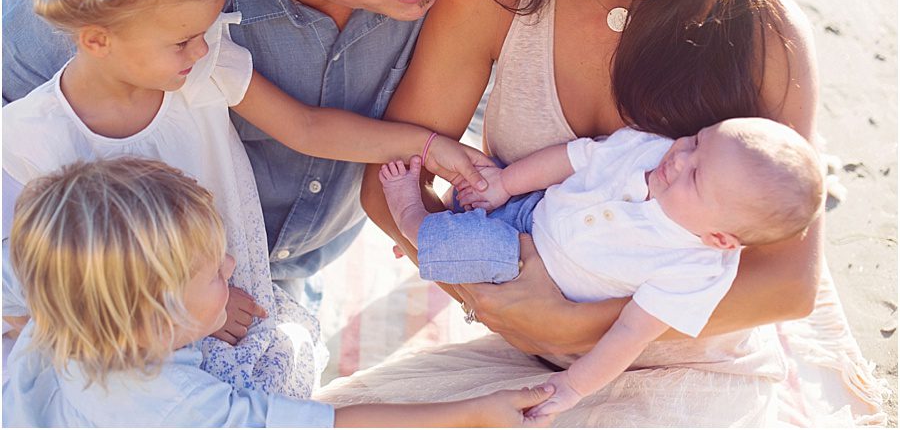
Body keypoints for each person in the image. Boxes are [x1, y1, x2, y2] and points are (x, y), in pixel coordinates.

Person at [352, 0, 824, 425]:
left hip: (687, 364)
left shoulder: (762, 31)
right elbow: (388, 180)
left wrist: (577, 324)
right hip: (520, 354)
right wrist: (490, 299)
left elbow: (788, 284)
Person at [0, 0, 492, 398]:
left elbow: (306, 127)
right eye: (183, 40)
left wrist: (425, 145)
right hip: (143, 354)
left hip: (239, 297)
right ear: (98, 39)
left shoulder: (202, 67)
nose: (201, 48)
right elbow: (36, 304)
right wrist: (187, 316)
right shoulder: (29, 143)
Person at [2, 157, 555, 428]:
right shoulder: (180, 407)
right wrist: (478, 410)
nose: (232, 263)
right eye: (213, 272)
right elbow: (335, 423)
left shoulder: (66, 316)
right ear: (155, 312)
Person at [379, 117, 825, 416]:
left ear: (721, 238)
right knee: (480, 179)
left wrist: (575, 386)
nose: (681, 157)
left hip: (533, 271)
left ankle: (415, 222)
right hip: (532, 205)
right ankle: (447, 236)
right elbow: (572, 159)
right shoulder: (647, 151)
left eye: (695, 176)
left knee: (483, 248)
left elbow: (630, 333)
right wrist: (502, 185)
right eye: (697, 141)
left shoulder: (696, 270)